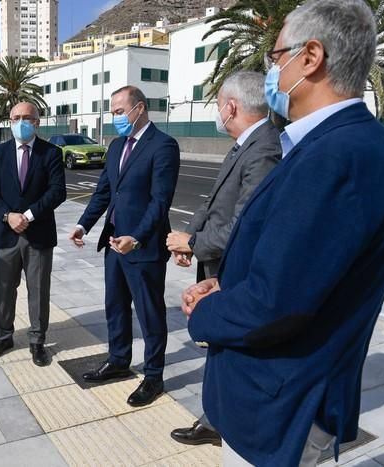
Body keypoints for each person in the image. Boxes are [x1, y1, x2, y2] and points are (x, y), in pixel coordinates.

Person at [181, 1, 384, 465]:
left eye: (275, 55)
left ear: (310, 57)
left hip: (280, 407)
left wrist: (205, 313)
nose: (272, 70)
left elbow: (277, 305)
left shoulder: (336, 157)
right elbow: (303, 271)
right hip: (280, 398)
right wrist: (228, 284)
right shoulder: (340, 146)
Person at [166, 71, 281, 447]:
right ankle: (215, 417)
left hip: (234, 271)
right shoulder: (244, 144)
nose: (218, 114)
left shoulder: (263, 149)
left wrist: (195, 243)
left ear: (230, 107)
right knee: (219, 350)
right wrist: (188, 241)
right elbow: (213, 202)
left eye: (217, 105)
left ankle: (224, 422)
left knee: (231, 349)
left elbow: (243, 226)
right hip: (215, 262)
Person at [69, 85, 180, 407]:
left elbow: (160, 202)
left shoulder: (163, 146)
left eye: (119, 111)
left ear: (140, 108)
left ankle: (153, 376)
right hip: (114, 242)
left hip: (142, 246)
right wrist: (82, 225)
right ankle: (118, 361)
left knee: (149, 312)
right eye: (113, 111)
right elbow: (105, 192)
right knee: (115, 305)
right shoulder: (117, 146)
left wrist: (139, 237)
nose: (115, 117)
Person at [0, 102, 66, 367]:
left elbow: (57, 192)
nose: (21, 122)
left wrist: (27, 216)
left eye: (27, 117)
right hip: (6, 233)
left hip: (38, 234)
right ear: (9, 120)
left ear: (37, 122)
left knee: (38, 291)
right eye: (16, 117)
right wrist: (8, 216)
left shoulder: (51, 153)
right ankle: (3, 336)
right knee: (4, 290)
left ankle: (37, 341)